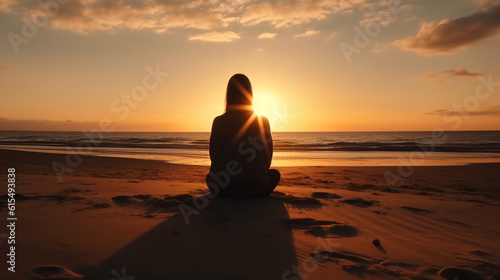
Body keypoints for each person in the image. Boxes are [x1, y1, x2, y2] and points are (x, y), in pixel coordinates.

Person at [206, 73, 280, 198]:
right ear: (250, 94)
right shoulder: (262, 121)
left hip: (221, 187)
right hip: (254, 187)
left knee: (211, 177)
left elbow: (213, 155)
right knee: (275, 174)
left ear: (228, 95)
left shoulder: (218, 121)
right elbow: (268, 157)